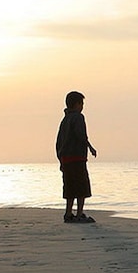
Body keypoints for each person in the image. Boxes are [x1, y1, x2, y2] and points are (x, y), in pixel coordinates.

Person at [55, 90, 97, 223]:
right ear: (77, 104)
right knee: (81, 187)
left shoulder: (64, 120)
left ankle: (68, 213)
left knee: (69, 187)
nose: (82, 106)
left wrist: (60, 159)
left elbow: (58, 142)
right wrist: (90, 147)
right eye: (82, 103)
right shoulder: (78, 117)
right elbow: (81, 135)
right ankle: (79, 214)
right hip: (77, 158)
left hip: (66, 159)